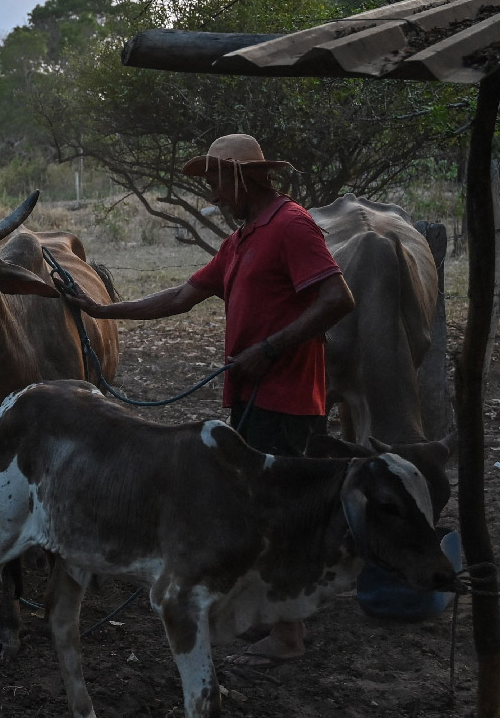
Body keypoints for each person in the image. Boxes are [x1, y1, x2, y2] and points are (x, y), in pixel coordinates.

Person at [62, 133, 356, 668]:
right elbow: (179, 297)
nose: (215, 196)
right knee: (255, 504)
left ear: (244, 178)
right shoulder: (241, 240)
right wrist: (103, 311)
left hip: (287, 396)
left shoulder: (290, 225)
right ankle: (269, 615)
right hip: (252, 392)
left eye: (218, 182)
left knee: (279, 510)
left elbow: (338, 298)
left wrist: (270, 347)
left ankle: (288, 635)